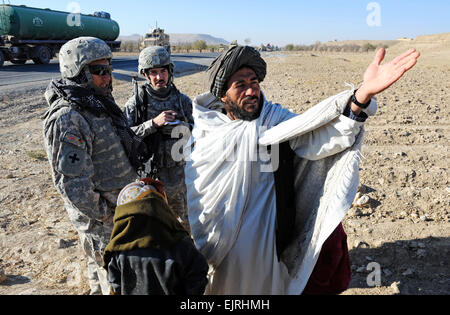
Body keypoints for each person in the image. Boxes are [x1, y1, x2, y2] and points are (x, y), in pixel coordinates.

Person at [185, 45, 420, 294]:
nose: (251, 90)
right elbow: (199, 188)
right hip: (223, 245)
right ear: (223, 95)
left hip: (268, 241)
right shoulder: (206, 130)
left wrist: (361, 96)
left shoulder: (274, 119)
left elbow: (317, 133)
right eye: (240, 85)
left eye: (254, 82)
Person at [42, 37, 146, 295]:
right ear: (77, 73)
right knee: (118, 282)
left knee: (101, 278)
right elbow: (73, 185)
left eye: (108, 69)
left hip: (118, 214)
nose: (107, 77)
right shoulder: (69, 117)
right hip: (105, 223)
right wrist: (108, 217)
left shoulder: (97, 104)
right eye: (99, 71)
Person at [124, 46, 194, 231]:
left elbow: (200, 131)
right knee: (157, 228)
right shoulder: (136, 104)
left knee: (187, 223)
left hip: (181, 177)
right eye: (153, 72)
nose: (158, 77)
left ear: (169, 71)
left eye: (162, 71)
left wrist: (183, 128)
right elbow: (124, 137)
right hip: (152, 178)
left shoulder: (182, 101)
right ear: (145, 75)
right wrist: (152, 124)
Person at [103, 178, 209, 295]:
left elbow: (115, 288)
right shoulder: (181, 246)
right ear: (160, 209)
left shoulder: (118, 253)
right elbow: (198, 276)